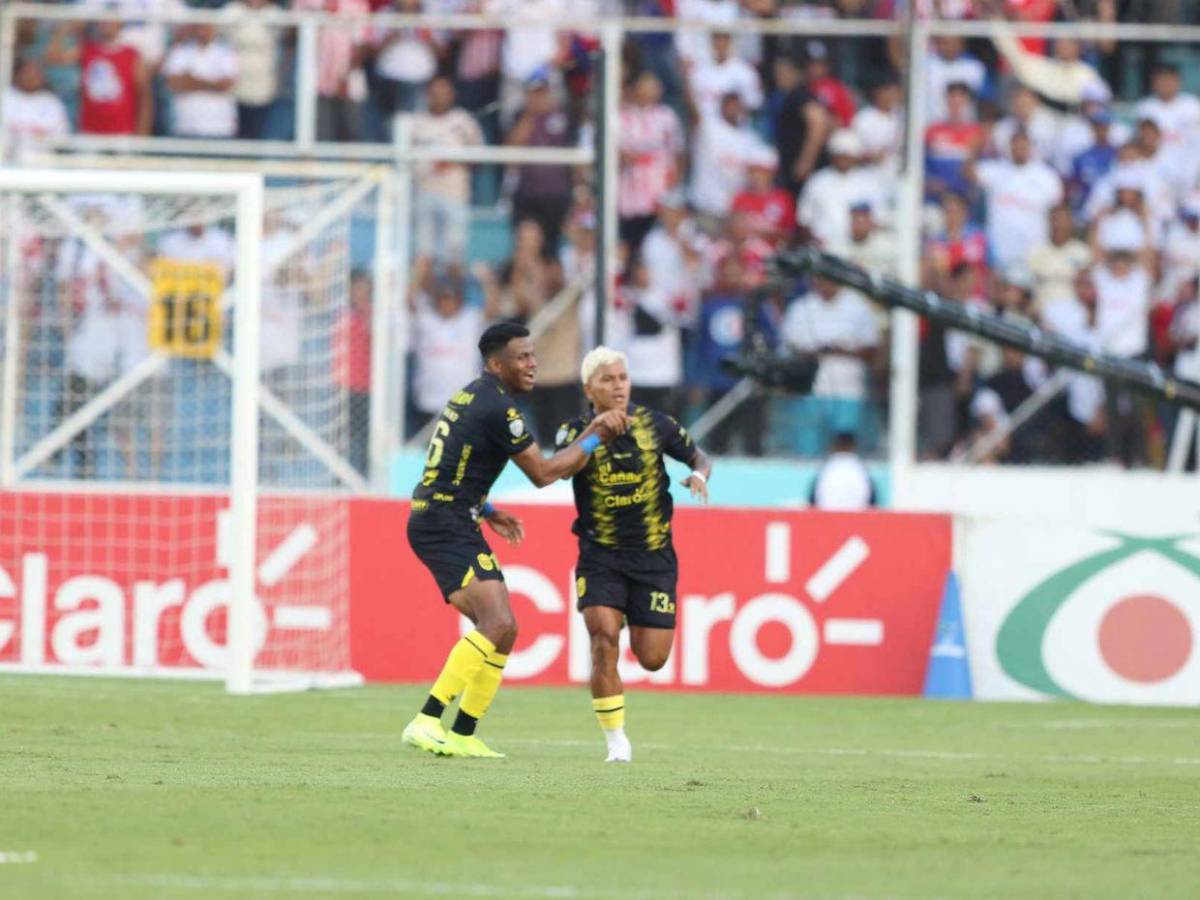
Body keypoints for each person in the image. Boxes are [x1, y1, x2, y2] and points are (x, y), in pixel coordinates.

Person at [403, 322, 629, 759]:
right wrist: (599, 435)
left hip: (451, 516)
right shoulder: (499, 409)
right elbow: (544, 474)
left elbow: (450, 463)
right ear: (495, 364)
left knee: (504, 630)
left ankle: (463, 732)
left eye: (532, 355)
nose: (532, 364)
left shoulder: (473, 395)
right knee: (498, 624)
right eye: (521, 357)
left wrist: (486, 510)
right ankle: (428, 719)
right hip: (444, 523)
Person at [554, 346, 711, 763]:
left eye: (623, 377)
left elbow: (698, 454)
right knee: (603, 639)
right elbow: (562, 467)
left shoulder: (654, 424)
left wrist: (697, 473)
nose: (618, 385)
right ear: (590, 389)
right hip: (600, 554)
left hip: (653, 557)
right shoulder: (574, 431)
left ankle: (628, 614)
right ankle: (616, 742)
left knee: (653, 658)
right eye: (608, 379)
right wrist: (596, 434)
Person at [811, 432, 874, 510]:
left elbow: (813, 500)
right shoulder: (861, 469)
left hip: (827, 517)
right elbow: (872, 501)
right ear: (854, 447)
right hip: (857, 518)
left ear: (834, 447)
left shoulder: (826, 468)